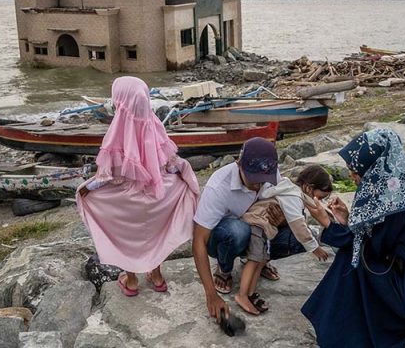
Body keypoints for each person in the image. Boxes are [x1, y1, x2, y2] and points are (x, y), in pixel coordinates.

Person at [302, 128, 405, 348]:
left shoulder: (393, 205)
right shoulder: (396, 188)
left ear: (372, 168)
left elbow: (371, 248)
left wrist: (327, 223)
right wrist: (348, 219)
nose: (352, 176)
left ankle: (337, 323)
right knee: (354, 256)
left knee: (352, 260)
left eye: (354, 170)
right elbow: (376, 235)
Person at [75, 76, 200, 296]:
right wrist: (183, 173)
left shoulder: (116, 132)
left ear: (120, 101)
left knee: (127, 236)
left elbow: (108, 176)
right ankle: (157, 276)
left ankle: (132, 281)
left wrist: (87, 188)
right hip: (159, 197)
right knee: (156, 232)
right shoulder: (155, 125)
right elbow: (171, 165)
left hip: (128, 200)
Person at [192, 137, 286, 321]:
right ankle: (224, 269)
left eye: (263, 180)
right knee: (237, 231)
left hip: (256, 225)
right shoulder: (218, 187)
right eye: (254, 179)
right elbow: (198, 241)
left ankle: (259, 260)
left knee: (297, 230)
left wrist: (281, 220)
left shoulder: (271, 172)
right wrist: (211, 295)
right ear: (238, 164)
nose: (258, 185)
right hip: (223, 236)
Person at [235, 165, 334, 315]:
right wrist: (315, 248)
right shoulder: (294, 196)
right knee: (255, 259)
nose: (319, 201)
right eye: (319, 197)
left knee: (261, 260)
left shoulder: (292, 190)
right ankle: (242, 295)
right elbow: (298, 225)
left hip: (263, 227)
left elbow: (312, 207)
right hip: (256, 224)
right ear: (308, 188)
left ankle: (251, 293)